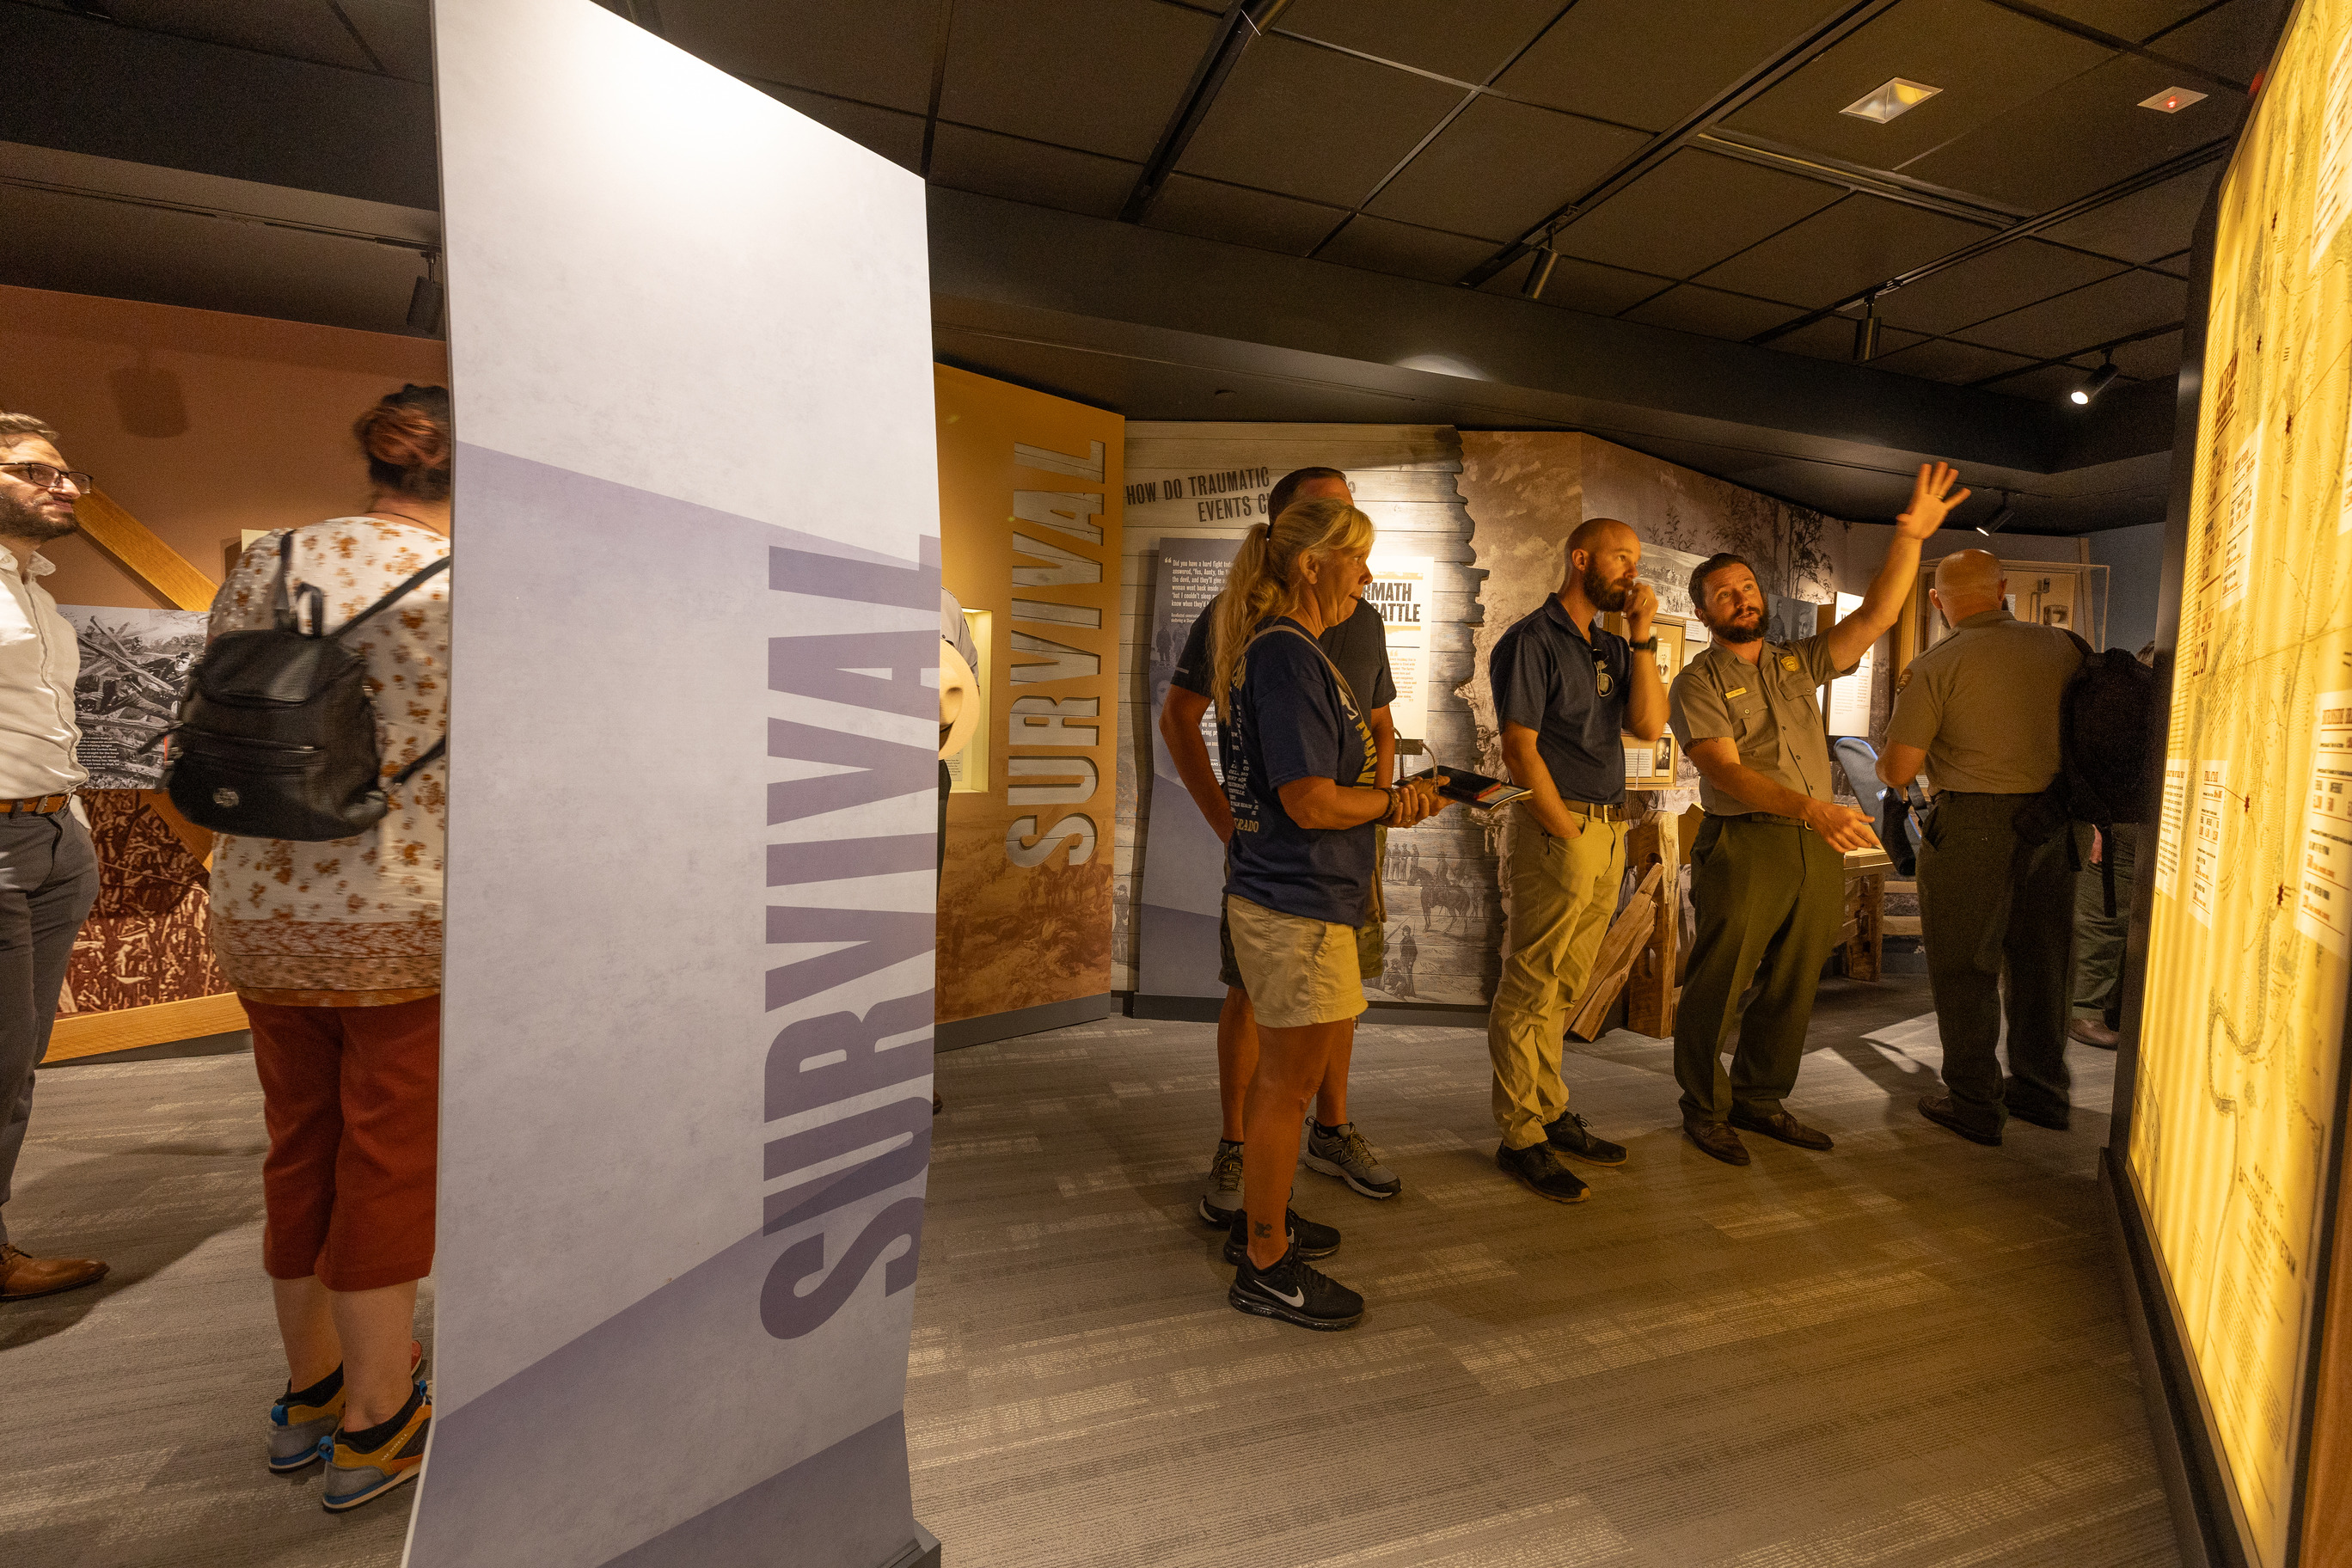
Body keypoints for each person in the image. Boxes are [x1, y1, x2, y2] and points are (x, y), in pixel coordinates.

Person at [209, 386, 450, 1510]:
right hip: (401, 904)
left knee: (298, 1141)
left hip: (262, 896)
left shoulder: (270, 556)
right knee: (391, 1154)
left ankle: (308, 1391)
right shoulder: (468, 587)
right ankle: (378, 1415)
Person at [1667, 462, 1969, 1165]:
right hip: (1748, 842)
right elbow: (1723, 771)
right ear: (1705, 613)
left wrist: (1911, 536)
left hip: (1811, 841)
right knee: (1720, 978)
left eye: (1745, 587)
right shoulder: (1698, 681)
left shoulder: (1794, 662)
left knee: (1797, 976)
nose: (1740, 599)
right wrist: (1815, 809)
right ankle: (1703, 1107)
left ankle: (1760, 1097)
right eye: (1723, 595)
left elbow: (1878, 616)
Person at [1210, 497, 1446, 1329]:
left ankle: (1262, 1218)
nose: (1368, 575)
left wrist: (1392, 798)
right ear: (1312, 565)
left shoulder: (1287, 651)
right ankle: (1266, 1264)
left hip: (1295, 895)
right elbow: (1309, 800)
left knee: (1288, 1082)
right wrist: (1390, 804)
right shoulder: (1285, 656)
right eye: (1358, 558)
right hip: (1298, 899)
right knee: (1288, 1086)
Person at [1161, 467, 1405, 1223]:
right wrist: (1229, 822)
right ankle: (1240, 1148)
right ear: (1297, 537)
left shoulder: (1359, 617)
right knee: (1256, 990)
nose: (1354, 537)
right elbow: (1181, 718)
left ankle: (1328, 1128)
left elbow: (1380, 724)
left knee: (1338, 991)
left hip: (1345, 840)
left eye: (1351, 510)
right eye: (1331, 515)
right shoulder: (1252, 621)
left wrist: (1377, 810)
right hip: (1288, 855)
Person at [1485, 519, 1667, 1203]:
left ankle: (1549, 1109)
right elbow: (1519, 747)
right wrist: (1562, 829)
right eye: (1622, 557)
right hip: (1559, 830)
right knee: (1532, 983)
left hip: (1608, 829)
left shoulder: (1613, 645)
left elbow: (1649, 726)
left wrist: (1644, 639)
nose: (1631, 571)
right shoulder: (1531, 640)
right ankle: (1520, 1136)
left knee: (1564, 982)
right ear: (1581, 558)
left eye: (1636, 560)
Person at [1878, 548, 2086, 1143]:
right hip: (2059, 821)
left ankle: (1974, 1101)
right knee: (2046, 962)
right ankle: (2043, 1093)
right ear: (2003, 591)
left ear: (1939, 601)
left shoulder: (1938, 663)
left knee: (1965, 964)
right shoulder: (2066, 648)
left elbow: (1897, 768)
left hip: (1975, 826)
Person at [0, 413, 107, 1303]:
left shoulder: (36, 588)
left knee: (17, 1057)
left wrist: (71, 819)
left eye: (69, 474)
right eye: (38, 470)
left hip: (53, 835)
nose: (65, 486)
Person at [2067, 641, 2155, 1050]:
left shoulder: (2114, 695)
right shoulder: (2138, 701)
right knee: (2106, 919)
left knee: (2113, 919)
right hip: (2119, 822)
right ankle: (2085, 1013)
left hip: (2115, 819)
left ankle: (2097, 1009)